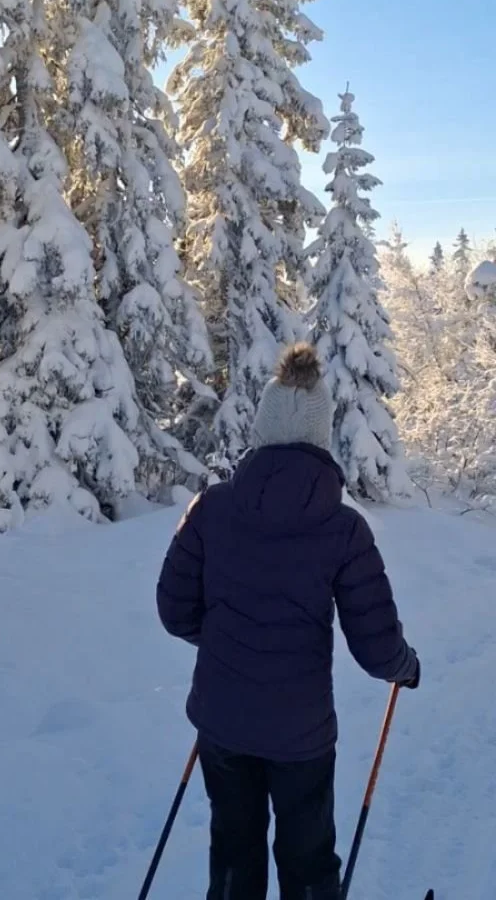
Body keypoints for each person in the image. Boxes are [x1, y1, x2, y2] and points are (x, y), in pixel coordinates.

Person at [157, 343, 420, 900]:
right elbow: (377, 649)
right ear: (321, 437)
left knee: (233, 852)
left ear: (261, 429)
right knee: (306, 863)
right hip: (301, 736)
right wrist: (406, 665)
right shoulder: (344, 528)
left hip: (223, 724)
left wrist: (231, 642)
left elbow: (174, 610)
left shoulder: (212, 509)